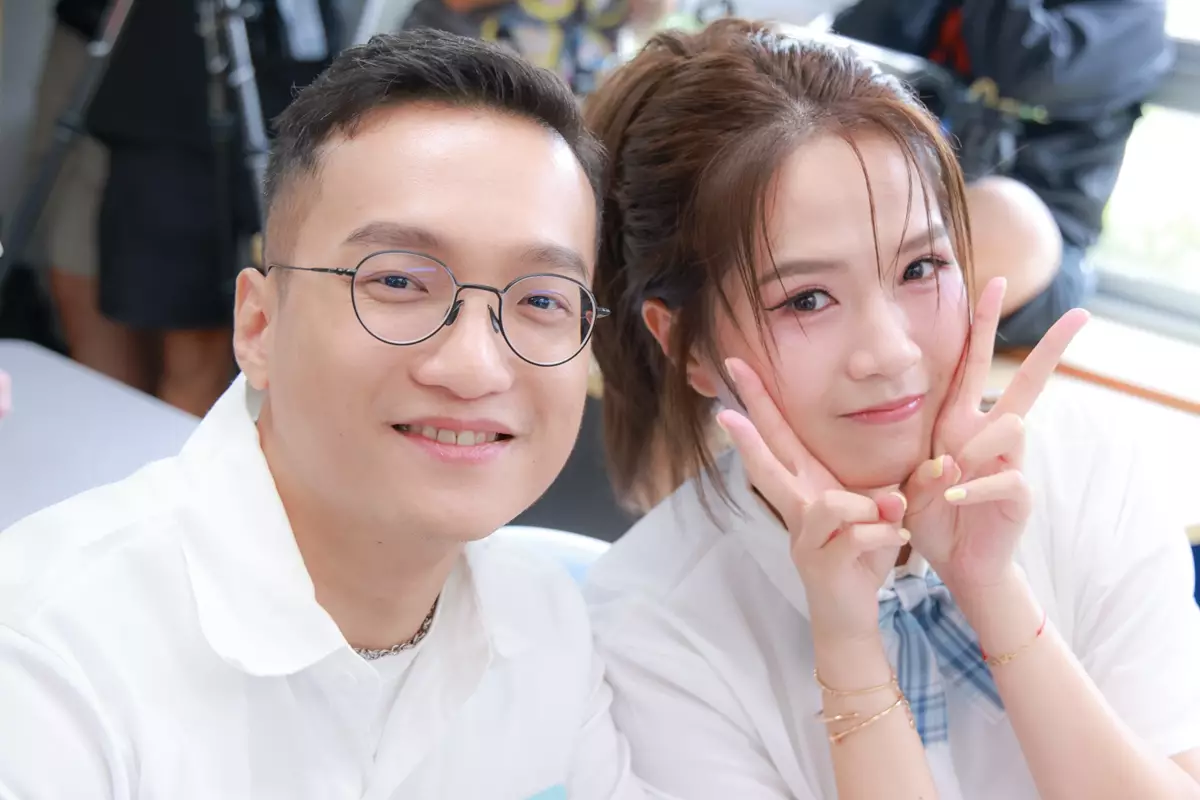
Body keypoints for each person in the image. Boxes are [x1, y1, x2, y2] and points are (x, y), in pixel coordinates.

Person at [0, 30, 654, 798]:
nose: (475, 366)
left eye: (542, 299)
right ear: (259, 325)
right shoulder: (50, 664)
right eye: (399, 283)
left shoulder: (548, 625)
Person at [582, 20, 1200, 800]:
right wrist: (847, 646)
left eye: (920, 266)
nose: (891, 351)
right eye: (806, 299)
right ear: (687, 345)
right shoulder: (650, 626)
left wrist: (992, 590)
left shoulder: (1086, 466)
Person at [830, 0, 1173, 348]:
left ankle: (846, 334)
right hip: (900, 210)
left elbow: (1027, 70)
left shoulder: (1135, 14)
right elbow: (844, 52)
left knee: (1010, 216)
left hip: (1028, 249)